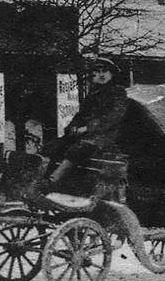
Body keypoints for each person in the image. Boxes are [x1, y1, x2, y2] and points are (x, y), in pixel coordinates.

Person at [41, 57, 128, 187]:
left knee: (79, 150)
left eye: (105, 71)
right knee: (53, 146)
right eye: (97, 72)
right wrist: (72, 128)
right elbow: (80, 115)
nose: (101, 75)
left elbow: (113, 117)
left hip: (106, 136)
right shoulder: (93, 94)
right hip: (87, 135)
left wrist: (87, 128)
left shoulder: (118, 93)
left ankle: (53, 180)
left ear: (112, 74)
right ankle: (42, 178)